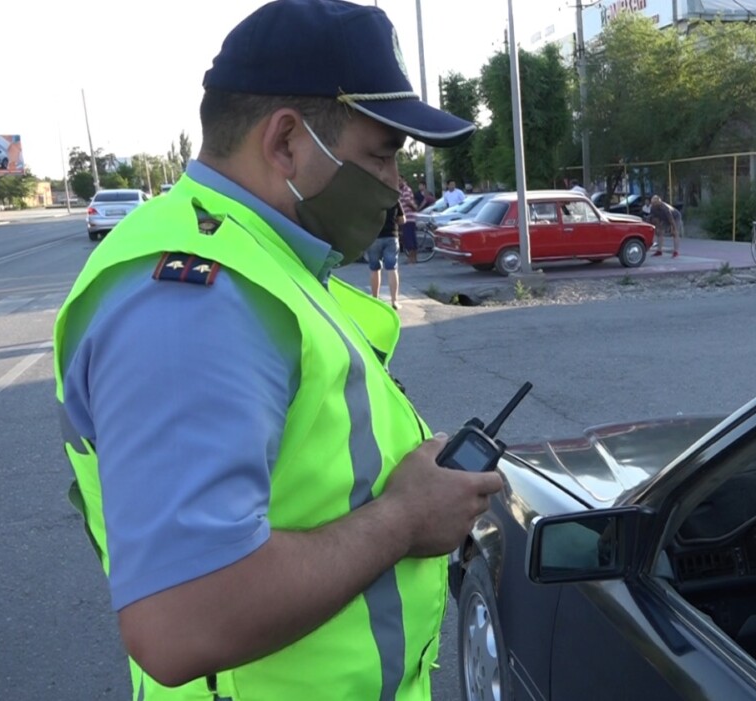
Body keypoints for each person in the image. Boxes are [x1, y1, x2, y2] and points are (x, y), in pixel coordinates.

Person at [50, 2, 500, 699]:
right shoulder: (192, 301)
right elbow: (182, 619)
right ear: (287, 141)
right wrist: (406, 518)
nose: (396, 187)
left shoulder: (260, 258)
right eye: (380, 153)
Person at [370, 202, 404, 306]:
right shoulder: (394, 199)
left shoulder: (371, 199)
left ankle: (375, 298)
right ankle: (394, 301)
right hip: (391, 236)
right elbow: (402, 220)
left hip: (374, 237)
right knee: (392, 268)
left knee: (374, 269)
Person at [397, 176, 419, 263]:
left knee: (409, 238)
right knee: (409, 238)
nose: (398, 182)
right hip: (405, 217)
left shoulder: (406, 189)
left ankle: (412, 258)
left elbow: (408, 201)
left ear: (403, 180)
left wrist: (415, 208)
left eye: (399, 180)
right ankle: (413, 258)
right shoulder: (401, 190)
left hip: (408, 218)